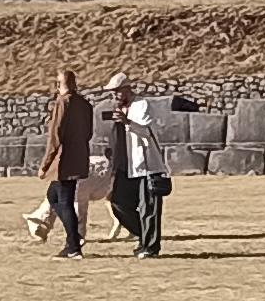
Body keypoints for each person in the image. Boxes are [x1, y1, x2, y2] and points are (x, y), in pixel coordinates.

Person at [104, 73, 169, 256]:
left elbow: (147, 131)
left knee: (149, 207)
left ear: (126, 89)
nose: (114, 95)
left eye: (117, 91)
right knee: (118, 203)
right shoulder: (119, 108)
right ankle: (143, 234)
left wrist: (127, 122)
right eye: (112, 92)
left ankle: (150, 247)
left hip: (145, 165)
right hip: (125, 166)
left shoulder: (142, 105)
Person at [39, 65, 94, 258]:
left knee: (63, 200)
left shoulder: (63, 103)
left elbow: (55, 136)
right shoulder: (85, 104)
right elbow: (88, 133)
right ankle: (73, 240)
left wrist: (46, 163)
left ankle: (73, 243)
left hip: (63, 160)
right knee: (55, 197)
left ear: (58, 84)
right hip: (79, 157)